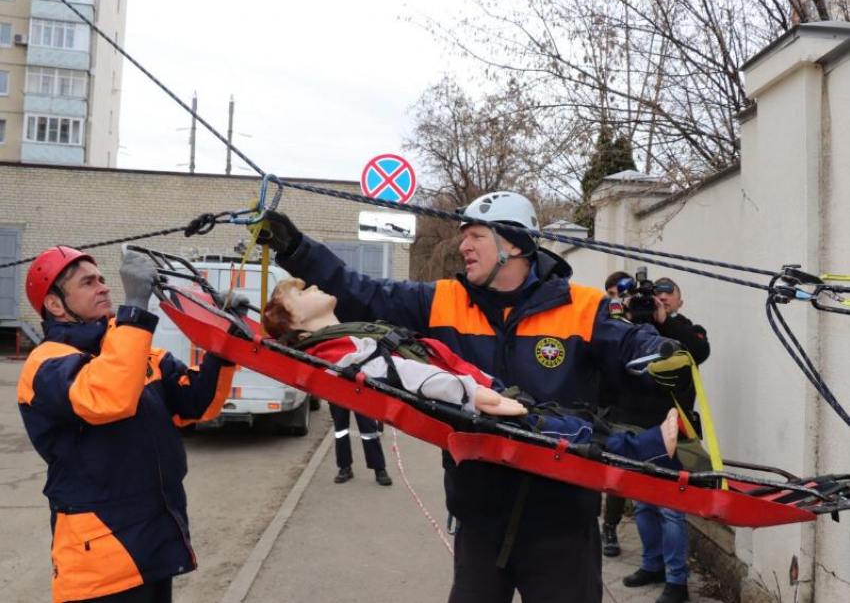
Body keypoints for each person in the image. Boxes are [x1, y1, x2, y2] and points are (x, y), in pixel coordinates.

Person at [255, 192, 689, 603]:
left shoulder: (583, 307)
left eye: (476, 235)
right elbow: (363, 293)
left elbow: (631, 345)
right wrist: (297, 249)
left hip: (563, 522)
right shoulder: (443, 299)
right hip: (480, 520)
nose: (463, 245)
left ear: (514, 245)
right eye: (465, 235)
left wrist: (658, 351)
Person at [262, 277, 682, 465]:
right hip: (468, 395)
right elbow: (401, 378)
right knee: (557, 433)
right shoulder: (337, 350)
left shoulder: (340, 338)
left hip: (471, 385)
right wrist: (471, 393)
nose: (314, 287)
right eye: (303, 292)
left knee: (558, 418)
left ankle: (639, 443)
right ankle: (643, 450)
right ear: (293, 319)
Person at [17, 247, 238, 603]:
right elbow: (110, 397)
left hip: (154, 539)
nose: (104, 287)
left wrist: (225, 341)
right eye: (88, 282)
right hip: (102, 558)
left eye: (102, 279)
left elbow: (196, 403)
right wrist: (134, 309)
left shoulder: (130, 350)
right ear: (56, 306)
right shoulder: (45, 365)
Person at [615, 276, 710, 603]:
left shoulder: (687, 330)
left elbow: (700, 350)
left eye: (668, 299)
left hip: (676, 431)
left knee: (671, 510)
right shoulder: (629, 332)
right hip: (637, 430)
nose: (661, 301)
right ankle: (651, 564)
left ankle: (677, 582)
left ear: (678, 303)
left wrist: (664, 321)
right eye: (657, 298)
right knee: (643, 505)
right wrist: (628, 318)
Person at [598, 270, 634, 558]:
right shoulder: (602, 322)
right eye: (611, 296)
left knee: (619, 473)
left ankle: (609, 527)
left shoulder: (642, 324)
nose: (616, 301)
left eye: (620, 295)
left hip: (632, 410)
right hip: (601, 405)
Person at [328, 404, 393, 485]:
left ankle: (379, 468)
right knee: (341, 432)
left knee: (369, 430)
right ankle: (344, 467)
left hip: (362, 393)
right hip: (338, 393)